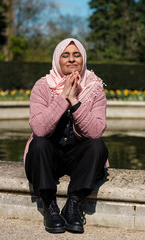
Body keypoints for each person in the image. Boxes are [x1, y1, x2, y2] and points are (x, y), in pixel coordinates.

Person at [24, 38, 109, 234]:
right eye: (66, 55)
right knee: (38, 143)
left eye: (76, 54)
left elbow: (96, 131)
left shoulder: (95, 88)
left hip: (77, 157)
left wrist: (75, 100)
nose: (71, 60)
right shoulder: (42, 86)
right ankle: (49, 205)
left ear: (83, 59)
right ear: (57, 59)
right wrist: (63, 97)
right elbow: (39, 128)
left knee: (98, 146)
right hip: (48, 157)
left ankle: (73, 204)